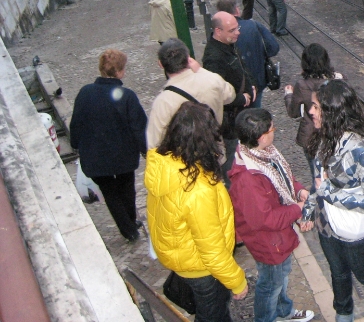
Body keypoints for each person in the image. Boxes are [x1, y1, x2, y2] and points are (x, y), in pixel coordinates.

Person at [145, 102, 248, 321]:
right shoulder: (198, 189)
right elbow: (212, 250)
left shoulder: (163, 164)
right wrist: (237, 281)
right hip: (202, 271)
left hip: (182, 258)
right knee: (213, 315)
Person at [302, 80, 364, 322]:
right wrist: (309, 210)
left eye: (317, 107)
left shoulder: (358, 149)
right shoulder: (324, 138)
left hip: (352, 228)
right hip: (326, 223)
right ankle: (343, 315)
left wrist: (329, 193)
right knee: (338, 274)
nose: (311, 111)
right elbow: (319, 182)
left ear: (332, 113)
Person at [228, 109, 315, 322]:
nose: (274, 131)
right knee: (271, 284)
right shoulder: (248, 178)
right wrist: (299, 208)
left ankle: (284, 312)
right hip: (268, 241)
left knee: (281, 274)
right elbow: (265, 219)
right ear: (262, 137)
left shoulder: (264, 154)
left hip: (277, 237)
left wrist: (298, 190)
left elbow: (283, 178)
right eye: (272, 128)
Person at [70, 49, 147, 242]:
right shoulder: (127, 96)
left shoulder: (85, 93)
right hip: (123, 155)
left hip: (95, 156)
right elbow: (138, 127)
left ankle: (128, 228)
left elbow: (76, 122)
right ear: (120, 72)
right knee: (127, 187)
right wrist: (146, 150)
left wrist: (75, 144)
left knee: (110, 193)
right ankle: (130, 222)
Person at [147, 38, 237, 149]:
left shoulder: (163, 101)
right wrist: (201, 70)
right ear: (188, 59)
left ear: (160, 64)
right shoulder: (212, 80)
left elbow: (155, 143)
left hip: (185, 161)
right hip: (214, 151)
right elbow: (230, 95)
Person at [203, 12, 256, 179]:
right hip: (230, 122)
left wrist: (251, 84)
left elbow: (241, 67)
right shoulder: (213, 57)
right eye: (232, 30)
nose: (238, 32)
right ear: (218, 31)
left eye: (237, 28)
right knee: (233, 164)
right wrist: (242, 98)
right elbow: (217, 93)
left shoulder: (228, 44)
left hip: (240, 114)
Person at [284, 43, 343, 180]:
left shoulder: (302, 85)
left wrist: (288, 95)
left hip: (311, 137)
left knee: (316, 174)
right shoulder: (338, 80)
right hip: (334, 134)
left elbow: (294, 112)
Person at [216, 0, 280, 108]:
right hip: (256, 81)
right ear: (237, 10)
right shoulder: (254, 25)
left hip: (232, 88)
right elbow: (273, 48)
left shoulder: (218, 34)